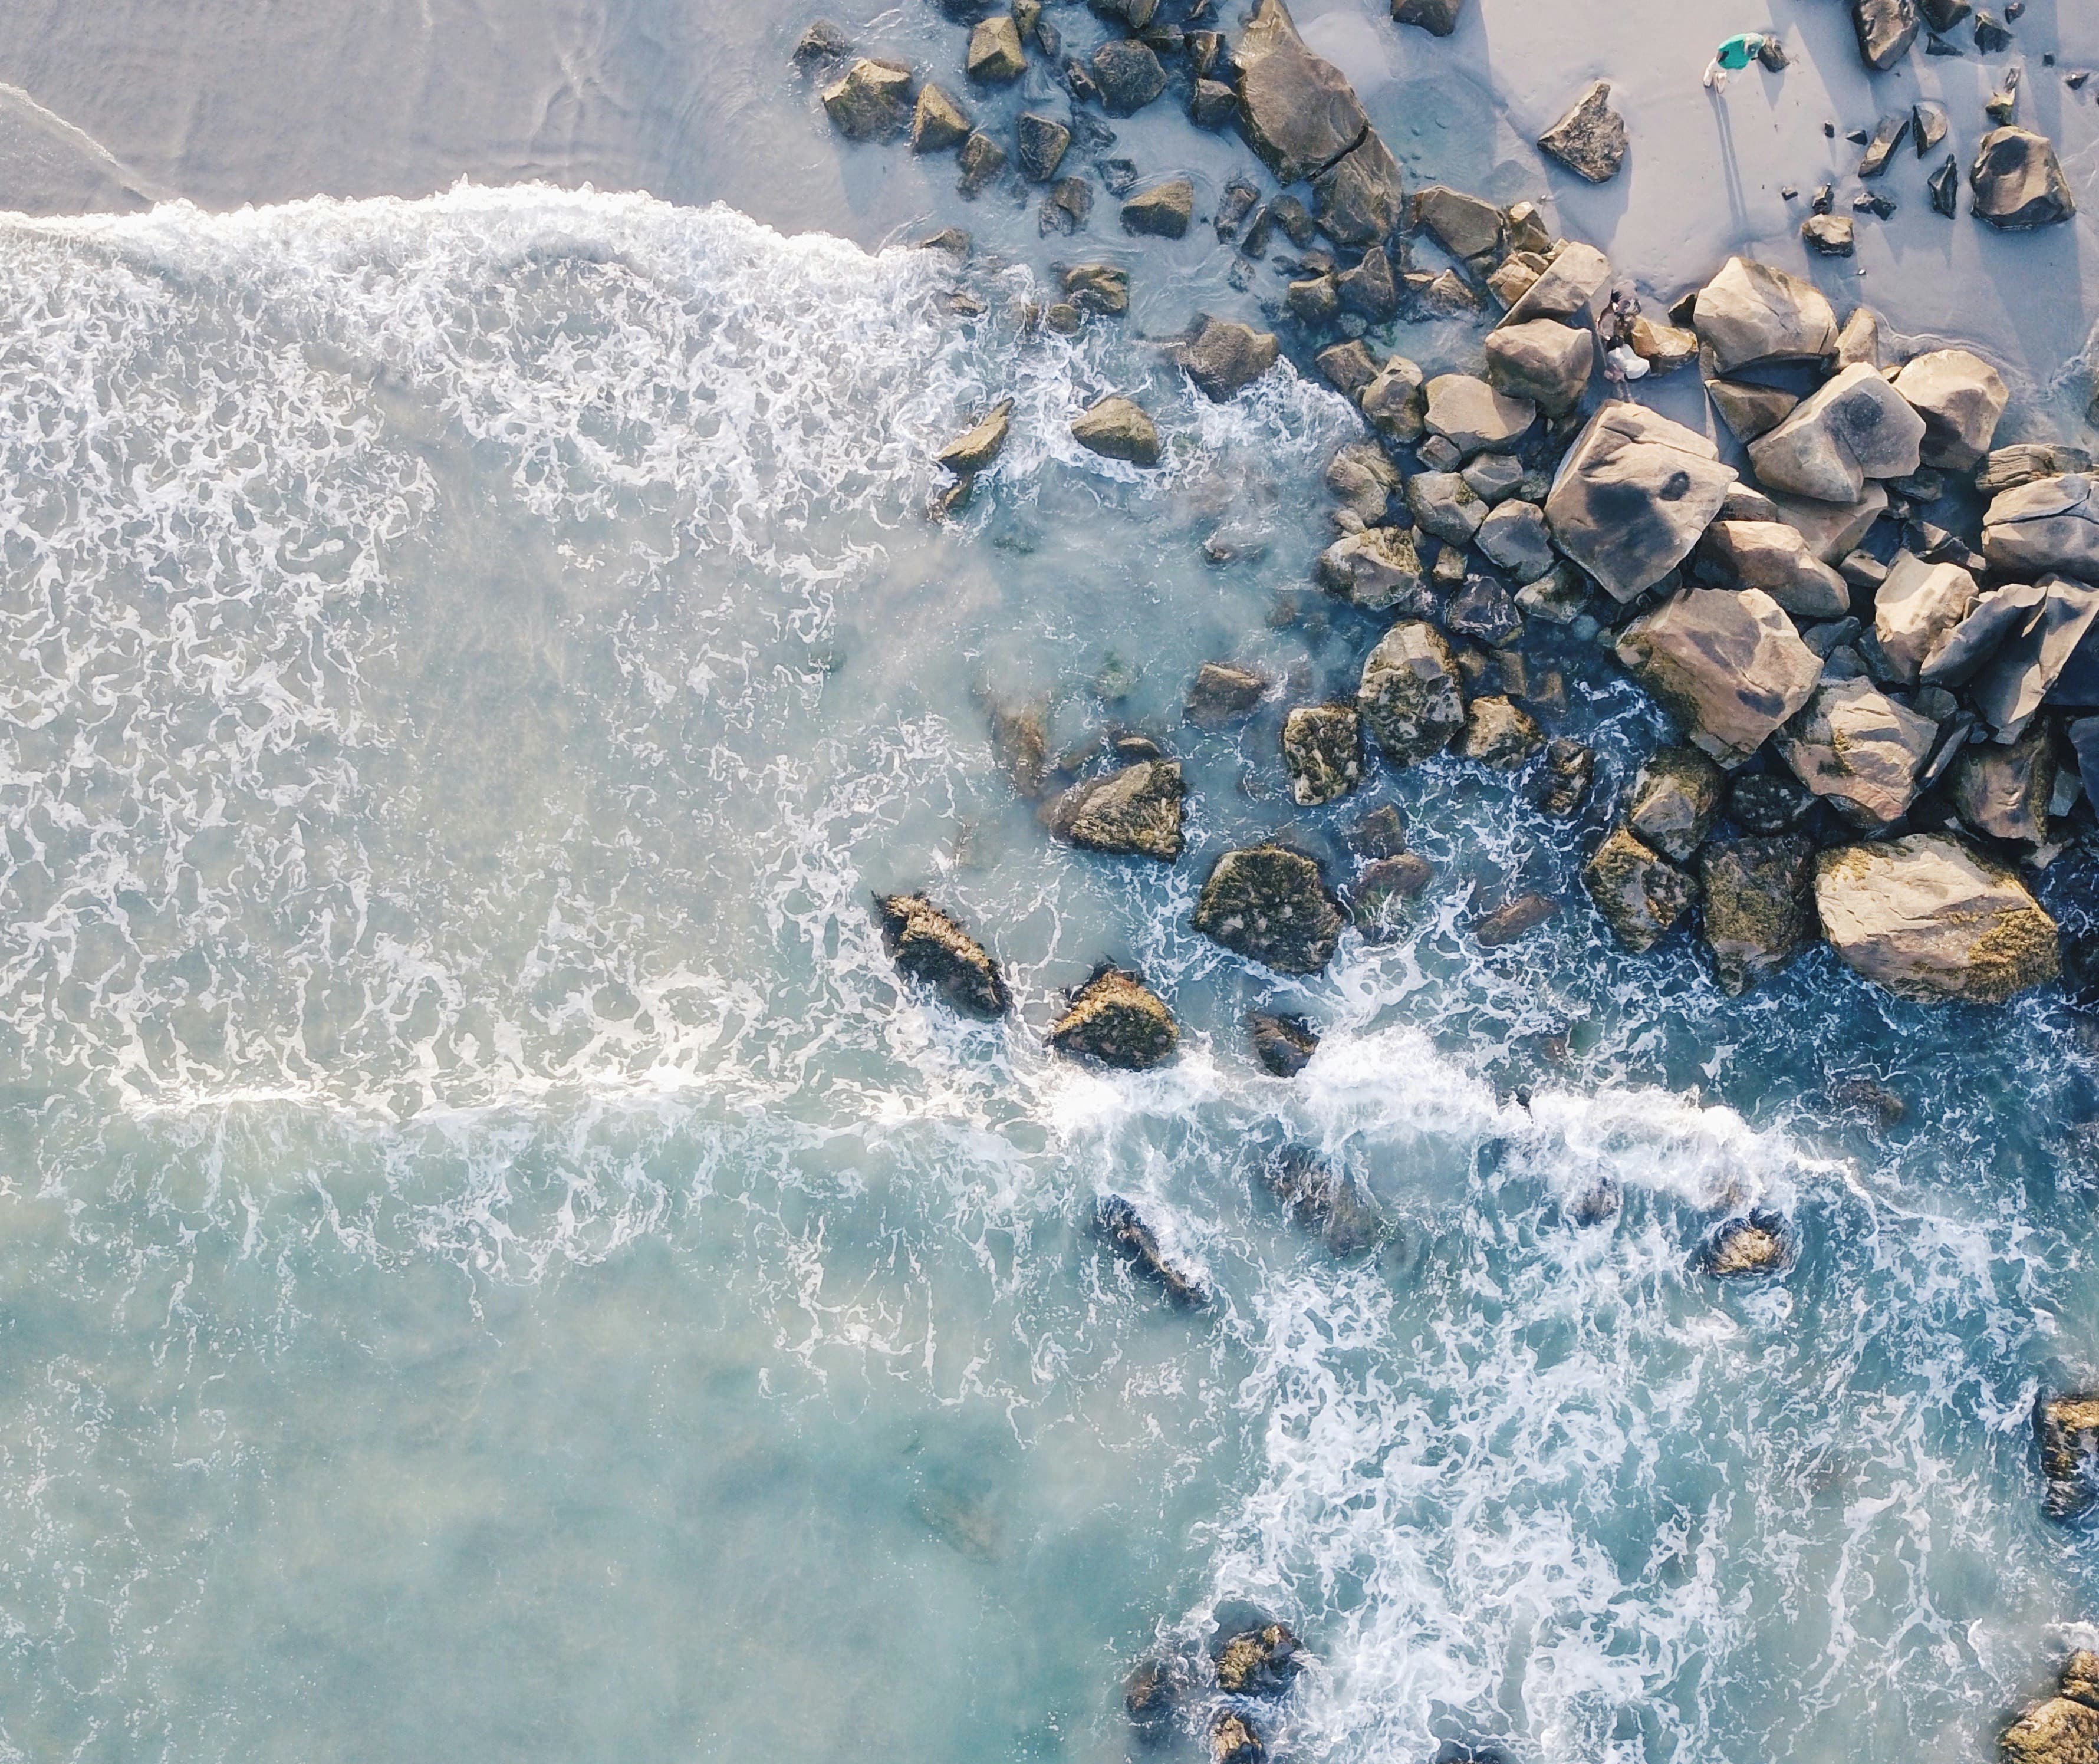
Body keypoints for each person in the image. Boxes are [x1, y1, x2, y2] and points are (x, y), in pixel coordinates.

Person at [1703, 31, 1774, 90]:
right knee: (1714, 67)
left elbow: (1764, 41)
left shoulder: (1759, 41)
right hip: (1725, 62)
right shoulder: (1734, 42)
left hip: (1740, 65)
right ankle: (1709, 72)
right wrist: (1717, 60)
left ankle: (1721, 77)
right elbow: (1721, 49)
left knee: (1733, 80)